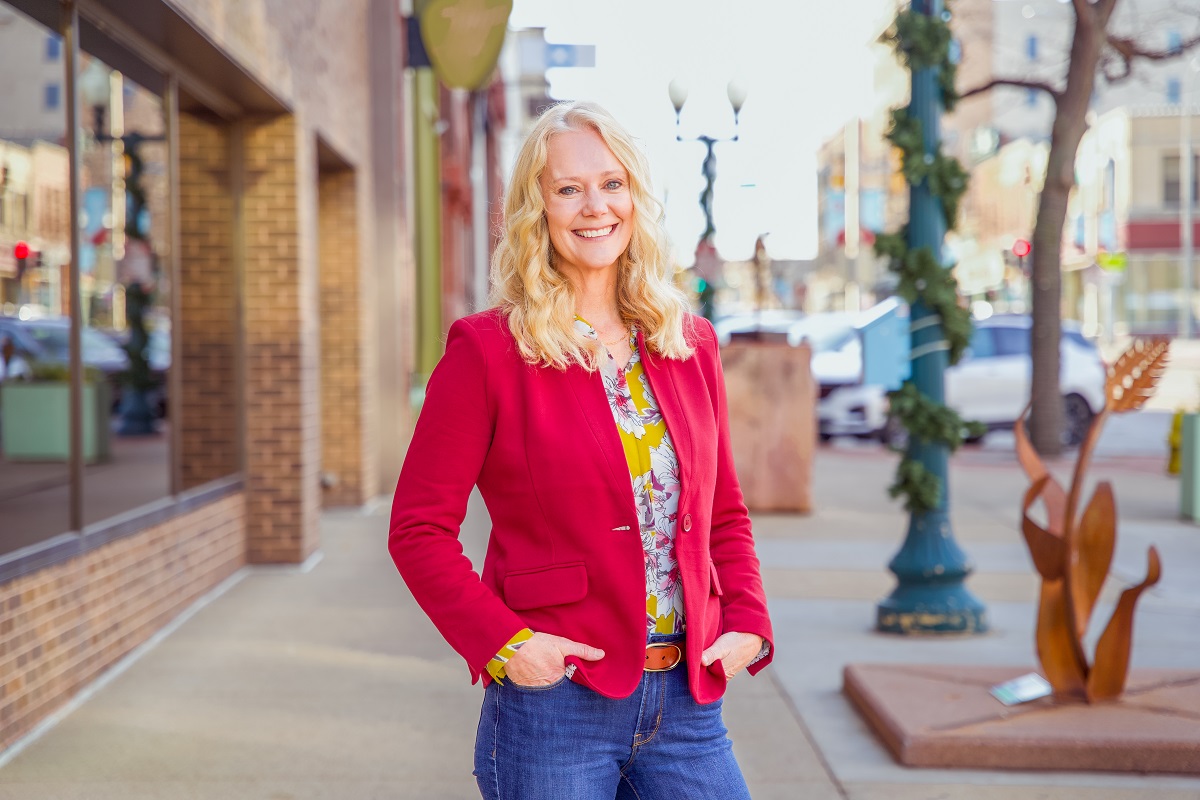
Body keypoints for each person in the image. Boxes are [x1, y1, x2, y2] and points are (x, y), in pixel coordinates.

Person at [388, 101, 773, 800]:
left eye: (611, 183)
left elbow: (724, 515)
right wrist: (506, 645)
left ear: (636, 198)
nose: (595, 206)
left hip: (687, 699)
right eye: (568, 189)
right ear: (538, 208)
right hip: (556, 706)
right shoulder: (488, 350)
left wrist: (747, 620)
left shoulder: (688, 342)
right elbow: (418, 529)